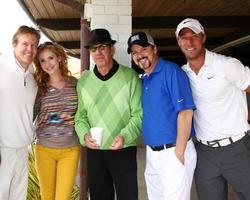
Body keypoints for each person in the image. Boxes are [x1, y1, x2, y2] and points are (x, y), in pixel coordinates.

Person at [176, 18, 250, 200]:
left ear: (204, 37)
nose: (189, 42)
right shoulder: (182, 74)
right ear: (178, 42)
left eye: (194, 35)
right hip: (204, 153)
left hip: (237, 148)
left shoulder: (227, 65)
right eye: (184, 37)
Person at [127, 32, 197, 200]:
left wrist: (179, 153)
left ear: (155, 49)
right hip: (153, 154)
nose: (139, 55)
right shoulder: (144, 79)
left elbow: (186, 112)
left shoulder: (171, 71)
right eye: (134, 52)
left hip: (173, 151)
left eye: (143, 49)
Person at [75, 28, 142, 200]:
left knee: (128, 197)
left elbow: (139, 114)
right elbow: (80, 116)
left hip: (124, 150)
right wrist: (84, 135)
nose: (98, 52)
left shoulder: (130, 77)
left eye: (102, 47)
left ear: (112, 49)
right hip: (95, 152)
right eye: (93, 48)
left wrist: (125, 136)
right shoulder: (84, 81)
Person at [33, 42, 80, 200]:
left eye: (51, 58)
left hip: (70, 150)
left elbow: (84, 111)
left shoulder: (74, 83)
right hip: (44, 149)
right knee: (47, 196)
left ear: (59, 58)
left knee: (63, 197)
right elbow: (31, 114)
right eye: (42, 61)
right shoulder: (39, 87)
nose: (48, 64)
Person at [0, 25, 40, 200]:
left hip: (23, 149)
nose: (29, 49)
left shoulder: (33, 77)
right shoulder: (1, 68)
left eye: (34, 45)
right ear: (14, 45)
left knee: (18, 196)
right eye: (25, 44)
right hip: (2, 149)